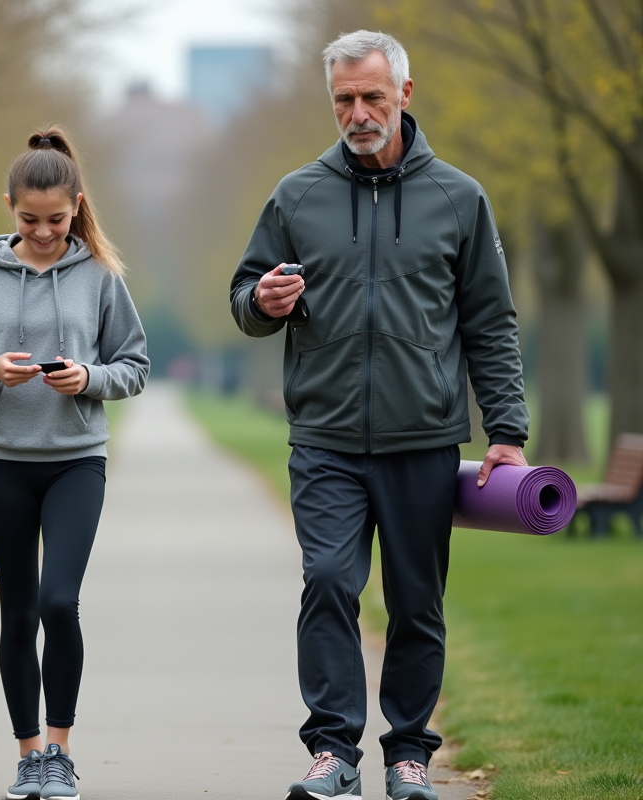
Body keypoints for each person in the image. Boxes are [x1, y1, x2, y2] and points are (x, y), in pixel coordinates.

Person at [229, 31, 530, 800]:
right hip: (325, 436)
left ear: (404, 92)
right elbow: (246, 298)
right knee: (327, 580)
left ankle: (408, 754)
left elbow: (490, 323)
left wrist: (507, 433)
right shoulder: (295, 195)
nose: (357, 113)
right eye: (343, 100)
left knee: (415, 602)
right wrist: (261, 304)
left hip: (423, 437)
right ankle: (333, 752)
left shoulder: (458, 198)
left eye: (371, 96)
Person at [0, 127, 149, 800]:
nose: (45, 231)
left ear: (77, 206)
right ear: (9, 207)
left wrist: (87, 378)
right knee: (18, 612)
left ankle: (60, 749)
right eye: (30, 219)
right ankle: (29, 756)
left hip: (75, 463)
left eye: (57, 219)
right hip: (1, 463)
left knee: (60, 601)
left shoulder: (100, 277)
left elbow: (134, 366)